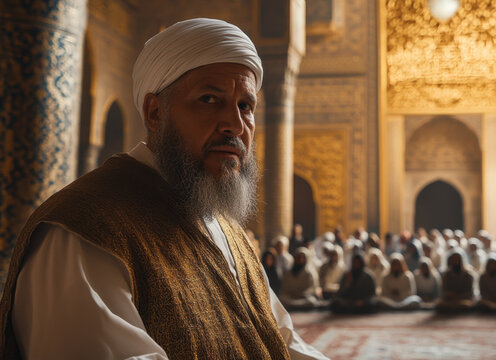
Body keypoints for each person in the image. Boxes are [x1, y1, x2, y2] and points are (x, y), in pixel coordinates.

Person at [0, 18, 327, 359]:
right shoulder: (86, 231)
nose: (235, 124)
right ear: (155, 113)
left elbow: (281, 341)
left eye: (246, 106)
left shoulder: (230, 233)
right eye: (209, 99)